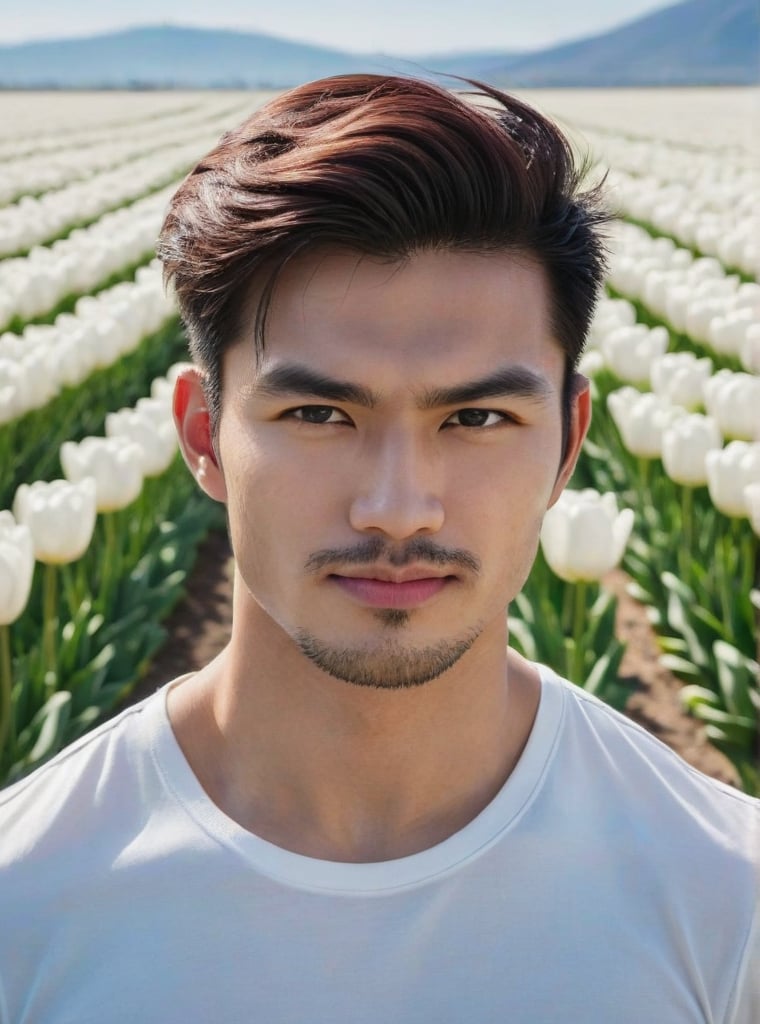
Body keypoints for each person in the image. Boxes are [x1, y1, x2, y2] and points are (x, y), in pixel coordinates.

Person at [1, 74, 757, 1023]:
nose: (398, 509)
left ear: (567, 443)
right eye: (319, 413)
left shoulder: (727, 904)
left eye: (476, 416)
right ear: (201, 436)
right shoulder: (23, 906)